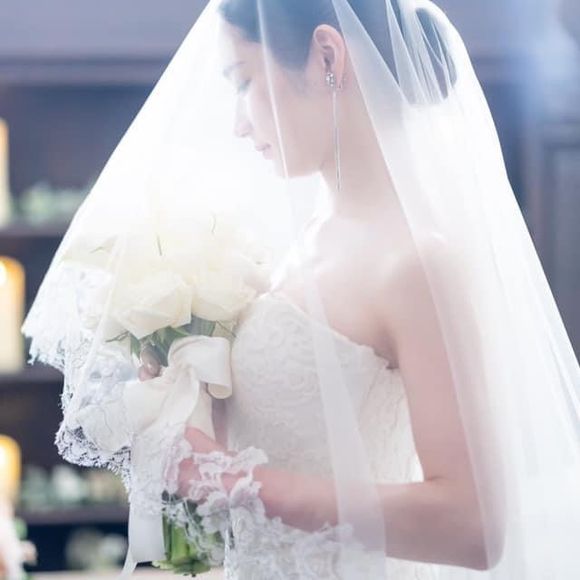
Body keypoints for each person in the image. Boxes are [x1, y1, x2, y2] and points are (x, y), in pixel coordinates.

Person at [23, 1, 580, 579]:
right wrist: (190, 395)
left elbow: (472, 525)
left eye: (244, 80)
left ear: (327, 57)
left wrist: (233, 480)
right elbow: (297, 434)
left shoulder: (416, 262)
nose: (238, 123)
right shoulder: (306, 237)